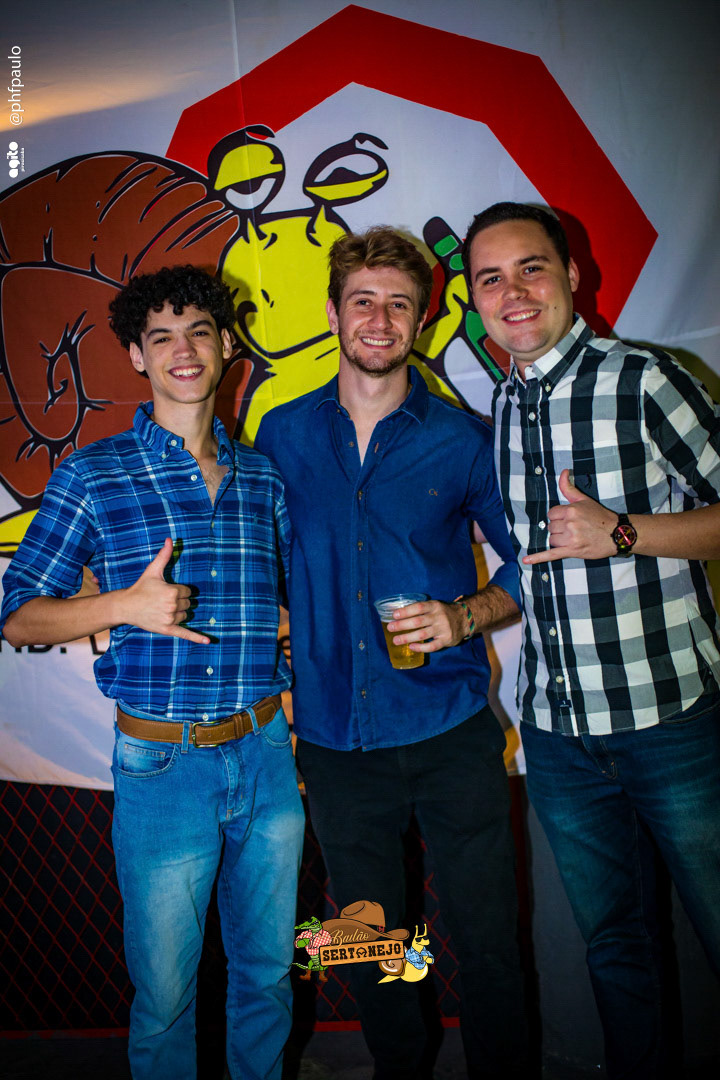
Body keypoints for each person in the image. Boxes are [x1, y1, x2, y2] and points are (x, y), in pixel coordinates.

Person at [0, 266, 305, 1080]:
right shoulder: (93, 474)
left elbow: (286, 606)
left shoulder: (263, 477)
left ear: (227, 344)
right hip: (162, 765)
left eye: (199, 331)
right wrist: (121, 607)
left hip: (266, 754)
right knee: (166, 997)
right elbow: (18, 614)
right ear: (137, 356)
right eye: (161, 337)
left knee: (269, 978)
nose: (184, 350)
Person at [255, 226, 530, 1080]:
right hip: (334, 740)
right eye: (363, 301)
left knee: (488, 936)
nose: (379, 320)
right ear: (333, 312)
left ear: (423, 320)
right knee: (372, 946)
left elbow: (530, 560)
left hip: (450, 728)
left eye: (399, 305)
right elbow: (256, 559)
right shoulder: (280, 433)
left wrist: (465, 616)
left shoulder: (463, 438)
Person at [463, 201, 720, 1080]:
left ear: (572, 275)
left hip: (671, 722)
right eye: (490, 278)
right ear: (474, 301)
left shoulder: (643, 378)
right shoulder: (501, 403)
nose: (513, 292)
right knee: (615, 948)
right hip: (559, 735)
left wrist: (625, 532)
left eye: (531, 267)